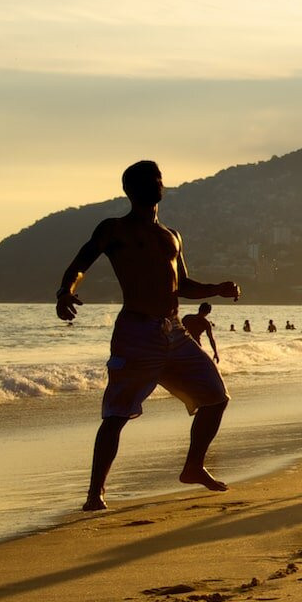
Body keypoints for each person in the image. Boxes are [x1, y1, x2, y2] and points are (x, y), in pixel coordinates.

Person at [55, 160, 237, 511]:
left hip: (175, 333)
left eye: (158, 179)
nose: (156, 184)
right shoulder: (114, 229)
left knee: (216, 397)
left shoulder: (171, 235)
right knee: (116, 414)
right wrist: (65, 291)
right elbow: (80, 264)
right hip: (136, 332)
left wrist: (218, 288)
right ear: (130, 190)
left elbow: (182, 285)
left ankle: (193, 466)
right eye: (148, 181)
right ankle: (95, 494)